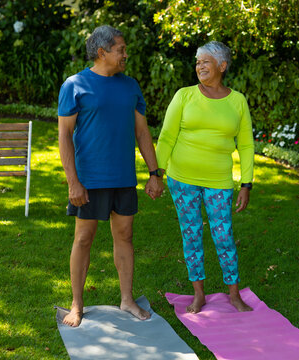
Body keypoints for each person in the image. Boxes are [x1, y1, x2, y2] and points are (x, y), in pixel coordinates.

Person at [57, 25, 164, 327]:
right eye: (121, 49)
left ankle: (127, 299)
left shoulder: (130, 86)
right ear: (102, 52)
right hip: (89, 179)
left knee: (125, 236)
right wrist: (73, 181)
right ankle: (77, 305)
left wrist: (154, 173)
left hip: (123, 178)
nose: (125, 54)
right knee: (84, 238)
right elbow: (64, 135)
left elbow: (142, 132)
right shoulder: (75, 85)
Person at [156, 41, 254, 313]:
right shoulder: (184, 96)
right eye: (197, 62)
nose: (199, 66)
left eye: (205, 61)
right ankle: (198, 293)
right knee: (192, 234)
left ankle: (234, 294)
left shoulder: (237, 101)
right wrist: (157, 173)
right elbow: (166, 137)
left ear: (222, 66)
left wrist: (247, 183)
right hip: (182, 178)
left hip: (219, 180)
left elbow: (245, 145)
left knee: (223, 236)